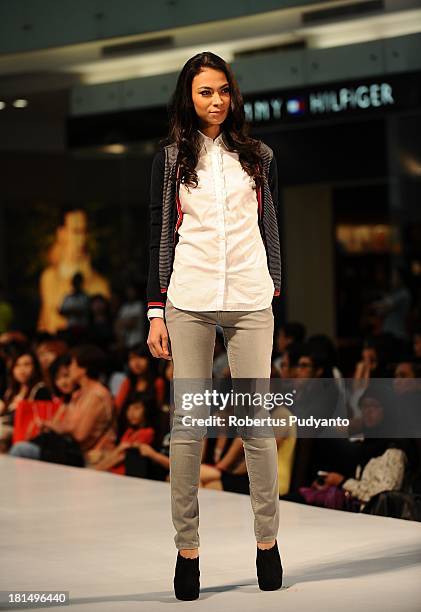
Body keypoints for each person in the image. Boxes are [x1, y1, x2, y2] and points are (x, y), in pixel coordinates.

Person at [146, 51, 283, 600]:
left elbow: (272, 224)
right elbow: (160, 233)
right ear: (189, 96)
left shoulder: (259, 156)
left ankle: (267, 544)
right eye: (205, 92)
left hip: (250, 299)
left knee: (258, 430)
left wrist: (275, 288)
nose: (217, 101)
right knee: (188, 431)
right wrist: (155, 309)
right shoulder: (172, 158)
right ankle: (187, 552)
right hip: (190, 298)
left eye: (223, 90)